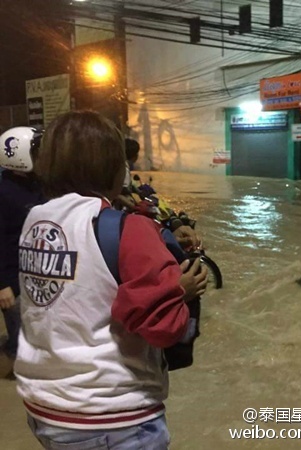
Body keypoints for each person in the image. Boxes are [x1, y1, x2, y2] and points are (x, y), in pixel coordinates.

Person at [15, 111, 208, 449]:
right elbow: (161, 326)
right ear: (114, 166)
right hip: (111, 416)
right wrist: (180, 288)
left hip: (44, 407)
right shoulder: (128, 228)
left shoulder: (36, 220)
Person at [0, 127, 45, 372]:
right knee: (19, 344)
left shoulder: (37, 185)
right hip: (12, 278)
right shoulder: (4, 193)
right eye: (36, 152)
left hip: (34, 271)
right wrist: (2, 285)